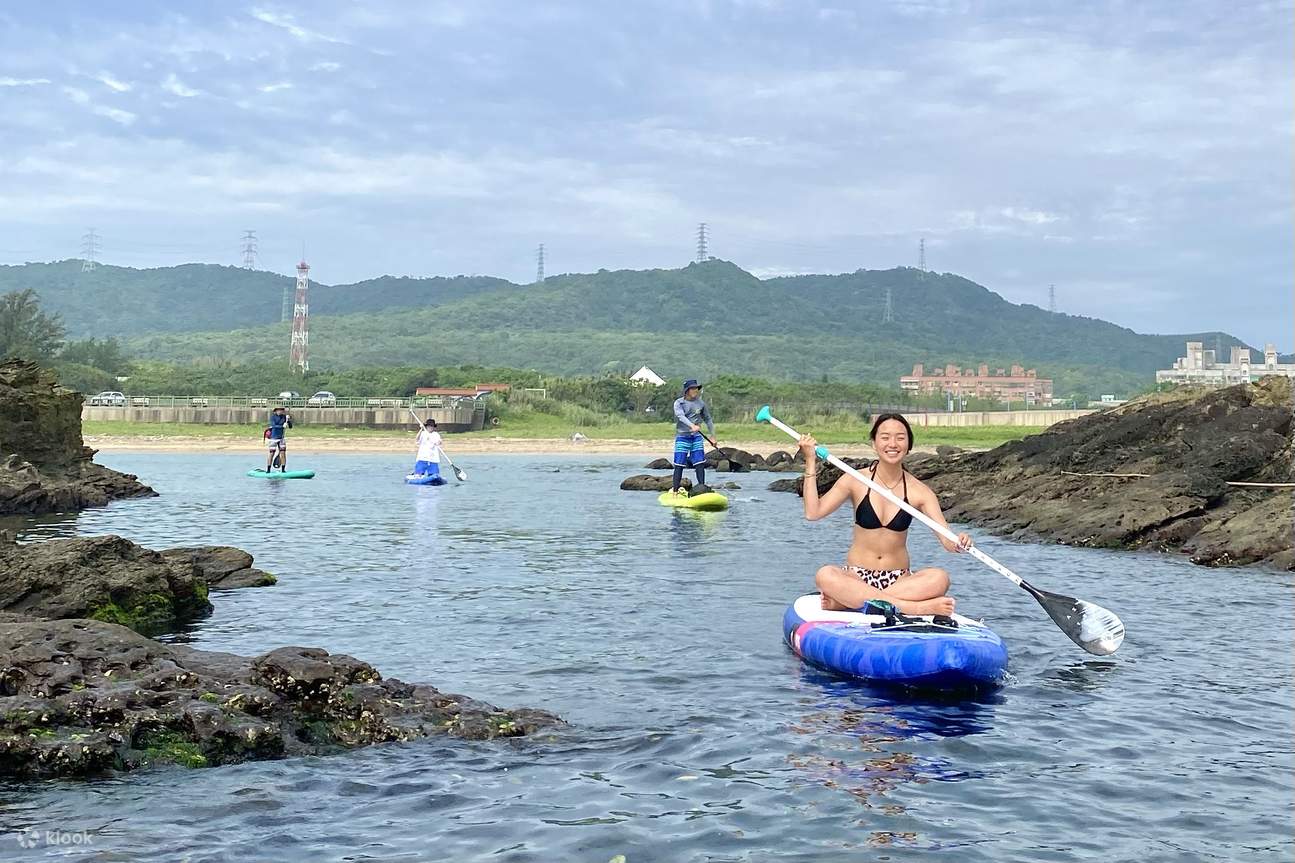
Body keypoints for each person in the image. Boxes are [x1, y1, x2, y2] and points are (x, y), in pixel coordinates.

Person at [798, 413, 972, 617]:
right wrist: (810, 460)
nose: (893, 444)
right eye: (885, 437)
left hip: (899, 581)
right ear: (874, 443)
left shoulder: (920, 491)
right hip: (856, 577)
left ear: (909, 445)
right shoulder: (855, 480)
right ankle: (912, 608)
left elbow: (947, 540)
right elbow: (813, 512)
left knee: (939, 578)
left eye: (900, 438)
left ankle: (850, 602)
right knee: (825, 575)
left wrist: (959, 542)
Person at [671, 378, 714, 496]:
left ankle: (702, 488)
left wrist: (713, 436)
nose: (696, 390)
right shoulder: (679, 403)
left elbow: (708, 419)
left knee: (700, 463)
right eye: (693, 388)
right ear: (687, 390)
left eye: (696, 388)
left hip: (696, 437)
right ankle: (675, 491)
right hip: (682, 437)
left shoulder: (701, 403)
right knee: (679, 464)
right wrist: (692, 425)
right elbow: (680, 416)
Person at [265, 406, 293, 472]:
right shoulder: (273, 417)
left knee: (283, 453)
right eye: (278, 410)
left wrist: (288, 421)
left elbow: (290, 427)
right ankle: (268, 470)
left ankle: (283, 470)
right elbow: (273, 426)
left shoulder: (284, 417)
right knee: (272, 453)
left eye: (281, 410)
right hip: (273, 438)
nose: (280, 411)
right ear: (276, 411)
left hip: (281, 438)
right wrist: (282, 426)